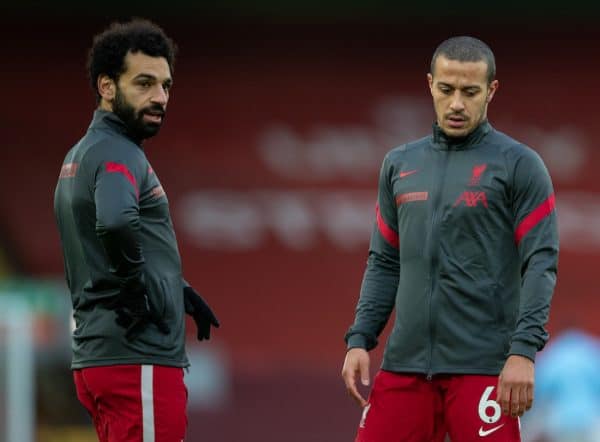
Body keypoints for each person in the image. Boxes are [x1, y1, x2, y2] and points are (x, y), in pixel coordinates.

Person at [342, 36, 558, 442]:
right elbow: (385, 261)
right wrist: (359, 339)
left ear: (491, 91)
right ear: (430, 85)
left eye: (470, 91)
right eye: (446, 89)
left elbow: (541, 262)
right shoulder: (399, 164)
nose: (457, 103)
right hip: (405, 367)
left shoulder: (521, 166)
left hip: (482, 369)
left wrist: (523, 351)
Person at [53, 19, 219, 442]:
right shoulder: (117, 152)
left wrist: (173, 287)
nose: (159, 97)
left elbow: (106, 237)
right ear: (107, 86)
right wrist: (136, 287)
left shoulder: (83, 152)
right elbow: (114, 221)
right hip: (135, 356)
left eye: (165, 85)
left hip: (105, 355)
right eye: (144, 83)